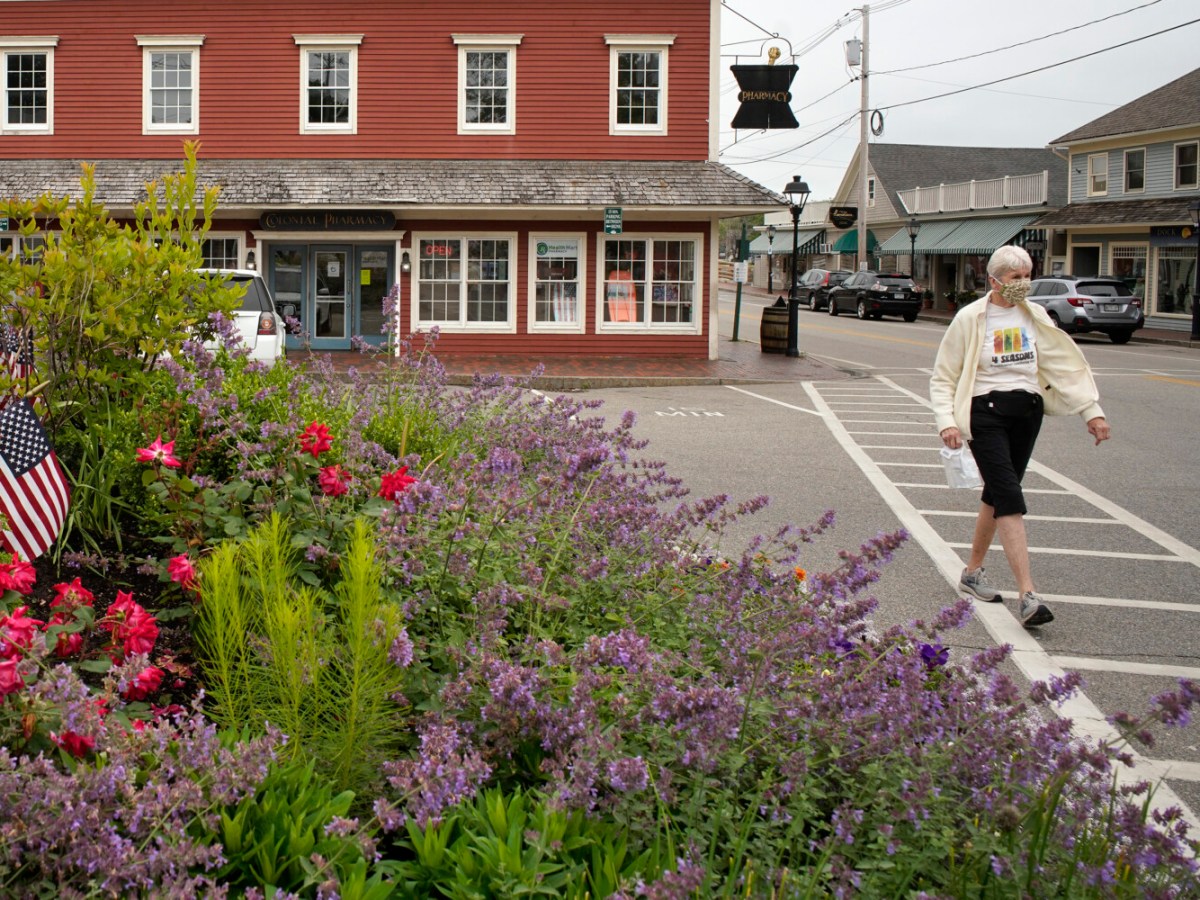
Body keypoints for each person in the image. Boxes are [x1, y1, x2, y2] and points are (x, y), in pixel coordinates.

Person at [930, 245, 1111, 627]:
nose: (1024, 284)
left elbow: (1061, 367)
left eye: (1028, 276)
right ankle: (1028, 596)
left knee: (997, 493)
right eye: (1016, 277)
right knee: (1010, 497)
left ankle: (972, 573)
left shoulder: (1035, 315)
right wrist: (946, 421)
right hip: (985, 413)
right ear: (994, 280)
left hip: (1027, 411)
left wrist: (1091, 411)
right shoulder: (970, 318)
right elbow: (944, 375)